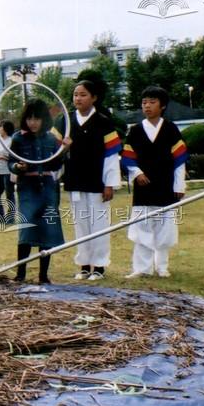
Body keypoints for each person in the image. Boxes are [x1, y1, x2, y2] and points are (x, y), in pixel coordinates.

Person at [121, 86, 188, 278]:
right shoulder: (135, 130)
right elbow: (127, 157)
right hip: (143, 187)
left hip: (165, 185)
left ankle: (162, 266)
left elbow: (180, 159)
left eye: (152, 102)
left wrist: (179, 185)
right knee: (142, 225)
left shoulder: (170, 129)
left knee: (164, 226)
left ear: (163, 105)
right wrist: (137, 173)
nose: (147, 106)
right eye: (144, 103)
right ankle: (142, 268)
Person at [63, 80, 122, 281]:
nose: (78, 98)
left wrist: (109, 183)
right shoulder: (66, 121)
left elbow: (112, 155)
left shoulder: (104, 122)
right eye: (75, 94)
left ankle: (99, 266)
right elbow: (55, 152)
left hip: (97, 181)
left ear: (94, 97)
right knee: (81, 224)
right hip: (75, 180)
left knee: (99, 223)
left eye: (83, 94)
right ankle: (84, 265)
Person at [9, 100, 67, 283]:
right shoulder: (18, 138)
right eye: (30, 118)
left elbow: (57, 163)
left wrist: (65, 149)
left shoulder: (51, 139)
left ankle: (43, 275)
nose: (33, 122)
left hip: (48, 187)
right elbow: (11, 163)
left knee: (47, 231)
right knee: (26, 230)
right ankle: (21, 273)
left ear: (44, 120)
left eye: (37, 119)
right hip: (27, 188)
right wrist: (18, 166)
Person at [0, 121, 16, 205]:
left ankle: (11, 217)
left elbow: (14, 158)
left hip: (8, 171)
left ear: (5, 129)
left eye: (0, 127)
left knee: (9, 196)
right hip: (0, 171)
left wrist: (2, 157)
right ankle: (0, 216)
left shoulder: (11, 141)